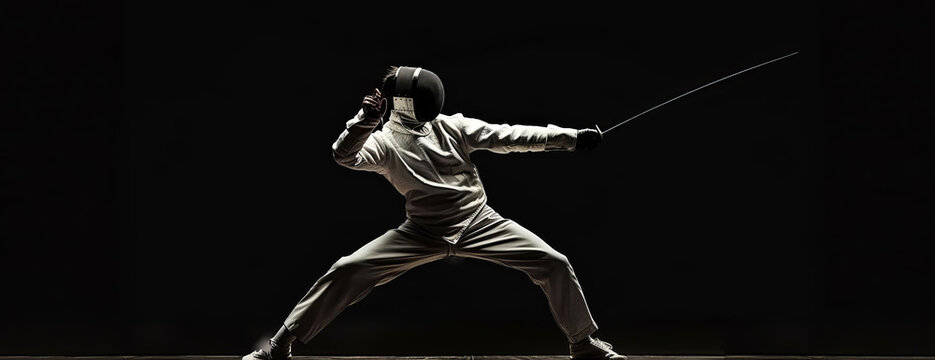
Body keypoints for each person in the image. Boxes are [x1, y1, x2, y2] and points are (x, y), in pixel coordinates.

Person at [243, 66, 625, 360]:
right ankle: (278, 347)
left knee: (553, 262)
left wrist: (572, 138)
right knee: (347, 269)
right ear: (408, 102)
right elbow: (344, 155)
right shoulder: (383, 142)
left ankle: (583, 344)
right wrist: (364, 121)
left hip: (481, 222)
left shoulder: (453, 127)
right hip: (421, 232)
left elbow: (511, 136)